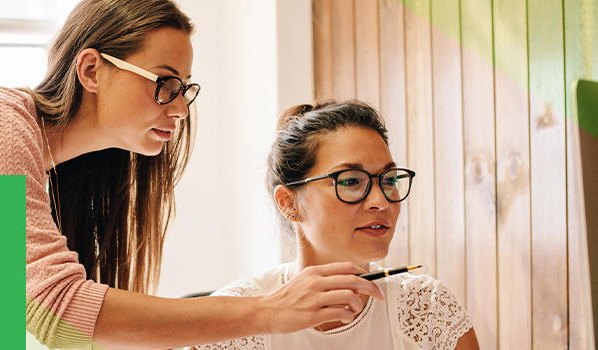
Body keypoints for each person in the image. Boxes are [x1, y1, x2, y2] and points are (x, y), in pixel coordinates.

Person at [0, 1, 383, 348]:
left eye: (186, 88)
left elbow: (60, 329)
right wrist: (266, 312)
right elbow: (57, 313)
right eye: (164, 82)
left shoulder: (63, 169)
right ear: (92, 69)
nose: (179, 106)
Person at [190, 101, 480, 350]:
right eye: (351, 181)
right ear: (288, 203)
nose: (381, 201)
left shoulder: (427, 308)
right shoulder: (236, 316)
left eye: (389, 180)